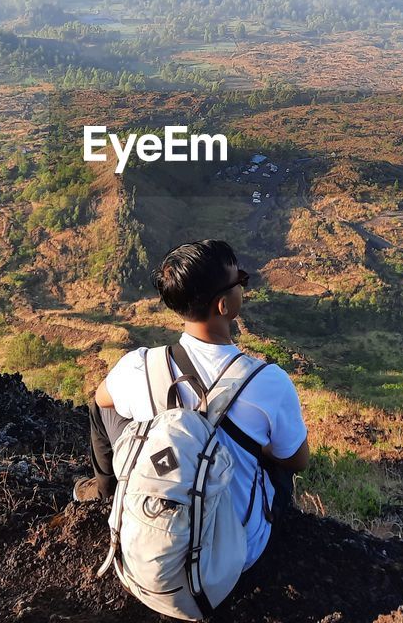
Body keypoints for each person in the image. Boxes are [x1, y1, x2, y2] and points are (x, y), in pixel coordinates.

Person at [74, 239, 310, 573]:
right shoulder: (269, 382)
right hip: (236, 555)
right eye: (240, 280)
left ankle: (109, 494)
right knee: (280, 462)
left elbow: (101, 401)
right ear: (224, 306)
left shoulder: (138, 366)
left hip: (154, 549)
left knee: (104, 410)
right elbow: (297, 461)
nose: (244, 285)